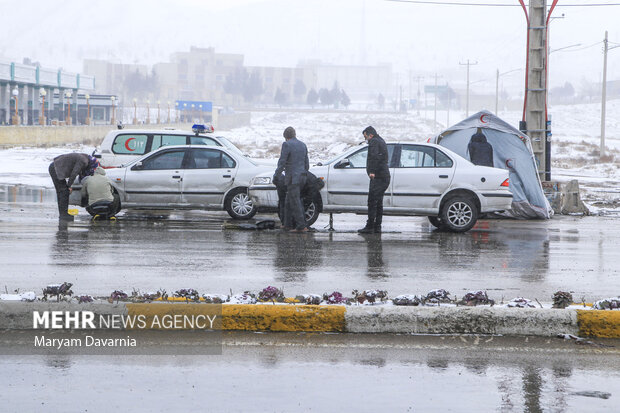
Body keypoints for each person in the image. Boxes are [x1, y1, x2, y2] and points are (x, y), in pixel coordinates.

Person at [273, 126, 309, 232]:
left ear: (285, 137)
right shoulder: (303, 145)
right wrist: (303, 172)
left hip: (293, 178)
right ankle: (287, 224)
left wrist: (276, 175)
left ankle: (302, 226)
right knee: (289, 200)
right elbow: (306, 164)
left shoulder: (286, 144)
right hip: (302, 176)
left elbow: (282, 162)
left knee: (295, 201)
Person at [358, 126, 390, 234]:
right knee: (378, 202)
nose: (366, 139)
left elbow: (374, 156)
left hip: (378, 177)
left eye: (365, 137)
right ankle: (377, 226)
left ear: (370, 135)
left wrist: (372, 171)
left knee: (372, 201)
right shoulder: (381, 141)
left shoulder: (374, 142)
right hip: (384, 176)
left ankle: (370, 226)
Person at [48, 153, 99, 221]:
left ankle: (63, 214)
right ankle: (64, 215)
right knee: (64, 192)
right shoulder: (83, 161)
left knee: (62, 192)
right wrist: (69, 186)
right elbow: (74, 173)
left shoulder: (85, 158)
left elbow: (80, 172)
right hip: (55, 168)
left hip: (55, 166)